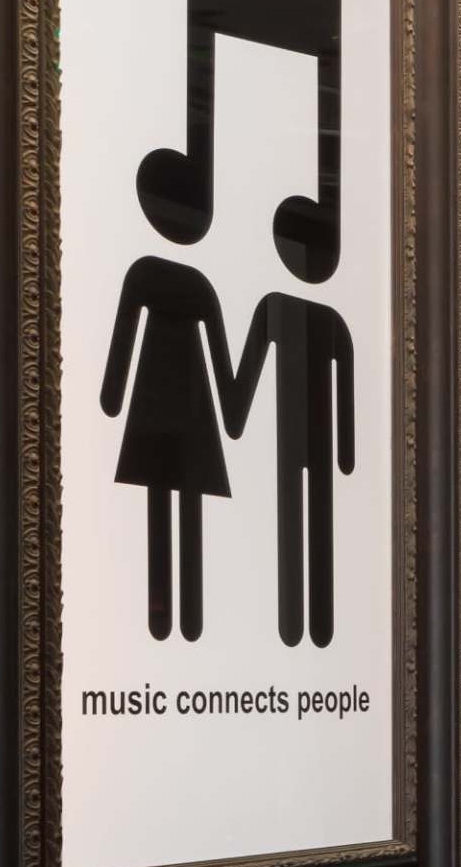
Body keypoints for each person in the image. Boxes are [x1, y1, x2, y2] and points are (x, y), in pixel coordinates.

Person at [223, 207, 356, 649]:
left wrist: (235, 415)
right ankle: (304, 623)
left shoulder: (293, 311)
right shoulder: (295, 312)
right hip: (302, 437)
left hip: (301, 437)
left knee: (307, 518)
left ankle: (308, 623)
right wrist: (345, 453)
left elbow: (247, 375)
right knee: (305, 517)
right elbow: (251, 367)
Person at [98, 234, 237, 641]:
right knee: (180, 507)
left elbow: (117, 367)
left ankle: (175, 619)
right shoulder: (195, 285)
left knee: (164, 504)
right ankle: (183, 618)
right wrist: (233, 413)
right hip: (186, 414)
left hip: (157, 409)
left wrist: (113, 394)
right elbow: (225, 377)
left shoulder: (146, 274)